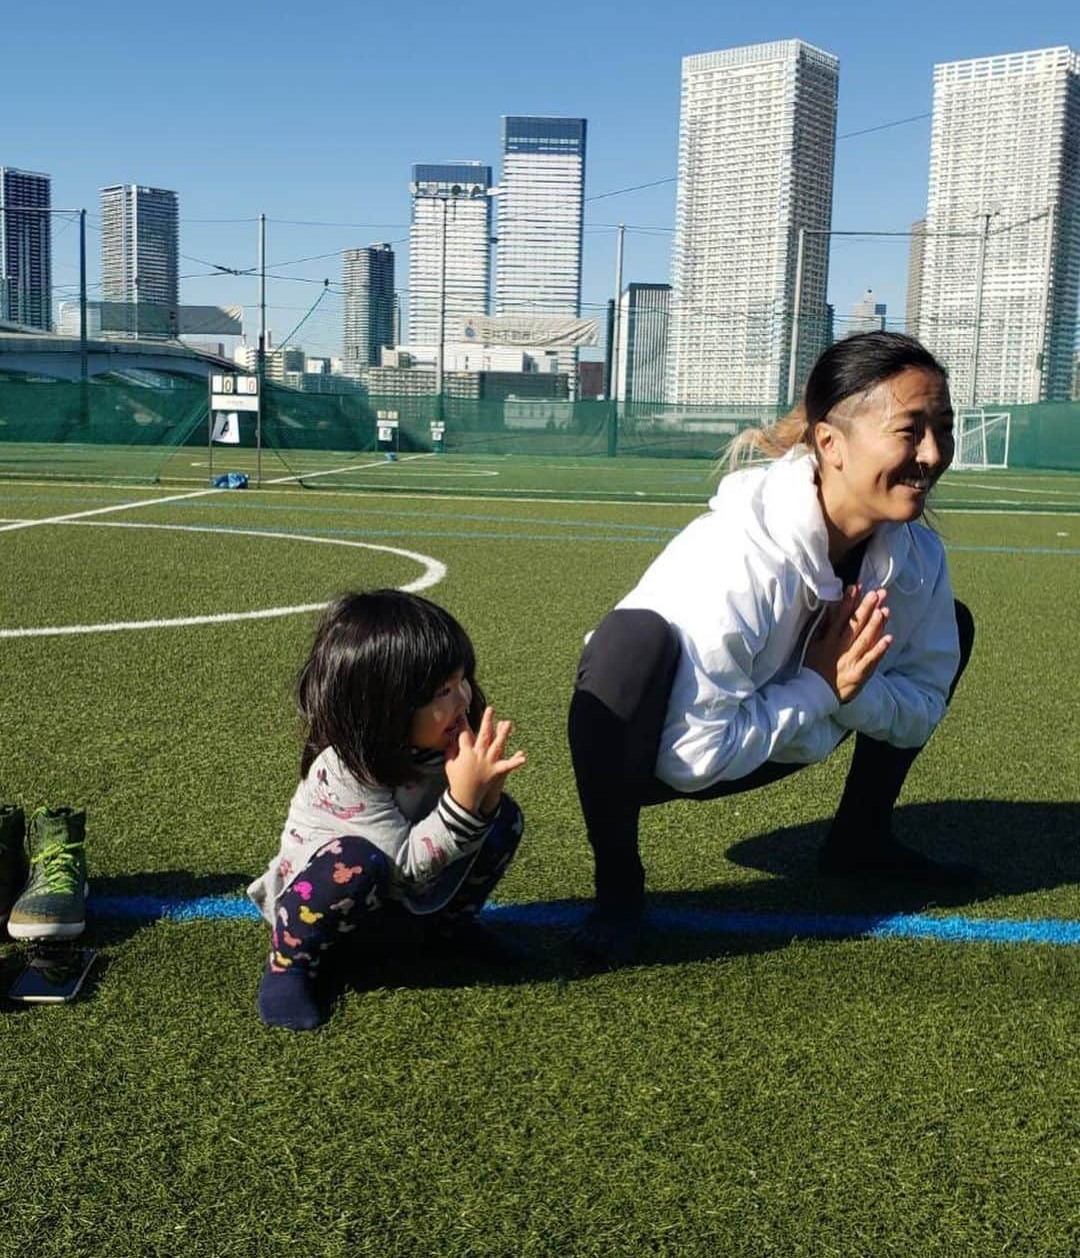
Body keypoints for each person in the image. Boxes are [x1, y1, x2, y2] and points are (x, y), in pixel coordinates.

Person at [568, 331, 975, 966]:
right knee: (627, 645)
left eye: (942, 429)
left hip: (793, 725)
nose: (932, 452)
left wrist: (851, 688)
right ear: (830, 443)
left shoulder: (919, 557)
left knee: (955, 623)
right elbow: (688, 760)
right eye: (910, 429)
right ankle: (619, 888)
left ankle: (860, 840)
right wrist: (819, 685)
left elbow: (920, 704)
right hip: (657, 750)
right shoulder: (739, 557)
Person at [250, 590, 526, 1030]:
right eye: (442, 691)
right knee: (355, 863)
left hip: (405, 903)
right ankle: (289, 965)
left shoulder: (443, 742)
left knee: (504, 819)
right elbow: (401, 868)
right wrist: (464, 805)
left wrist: (486, 800)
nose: (463, 699)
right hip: (338, 900)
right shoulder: (344, 770)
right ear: (384, 708)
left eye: (462, 680)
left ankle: (450, 929)